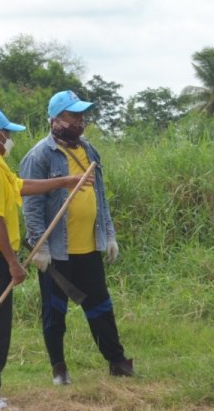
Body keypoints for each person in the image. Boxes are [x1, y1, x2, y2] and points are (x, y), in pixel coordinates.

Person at [0, 107, 88, 411]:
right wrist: (12, 262)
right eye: (8, 134)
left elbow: (20, 187)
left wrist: (64, 182)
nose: (10, 139)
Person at [19, 89, 133, 385]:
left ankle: (117, 362)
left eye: (82, 115)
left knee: (101, 307)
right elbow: (31, 205)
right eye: (72, 116)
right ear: (55, 119)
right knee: (55, 312)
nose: (79, 121)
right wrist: (38, 245)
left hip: (88, 248)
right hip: (56, 251)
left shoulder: (89, 151)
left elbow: (101, 197)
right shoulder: (39, 155)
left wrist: (109, 235)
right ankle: (59, 369)